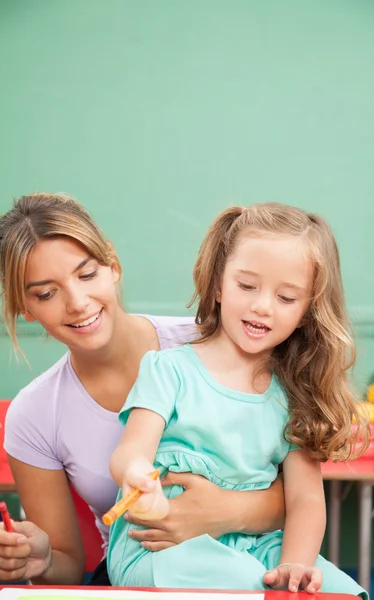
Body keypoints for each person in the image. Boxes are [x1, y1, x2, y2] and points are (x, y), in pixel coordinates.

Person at [0, 193, 286, 585]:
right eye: (46, 293)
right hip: (142, 572)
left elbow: (300, 498)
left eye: (87, 275)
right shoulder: (33, 414)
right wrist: (44, 561)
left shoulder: (212, 345)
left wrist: (220, 512)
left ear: (112, 265)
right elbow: (67, 569)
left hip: (253, 558)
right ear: (25, 309)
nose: (78, 303)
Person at [107, 202, 370, 598]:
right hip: (159, 544)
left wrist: (293, 566)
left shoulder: (295, 394)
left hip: (254, 544)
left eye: (286, 298)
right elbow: (130, 452)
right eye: (246, 286)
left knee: (340, 592)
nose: (262, 305)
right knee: (241, 585)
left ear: (306, 312)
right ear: (217, 285)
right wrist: (135, 474)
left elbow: (305, 499)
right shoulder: (167, 369)